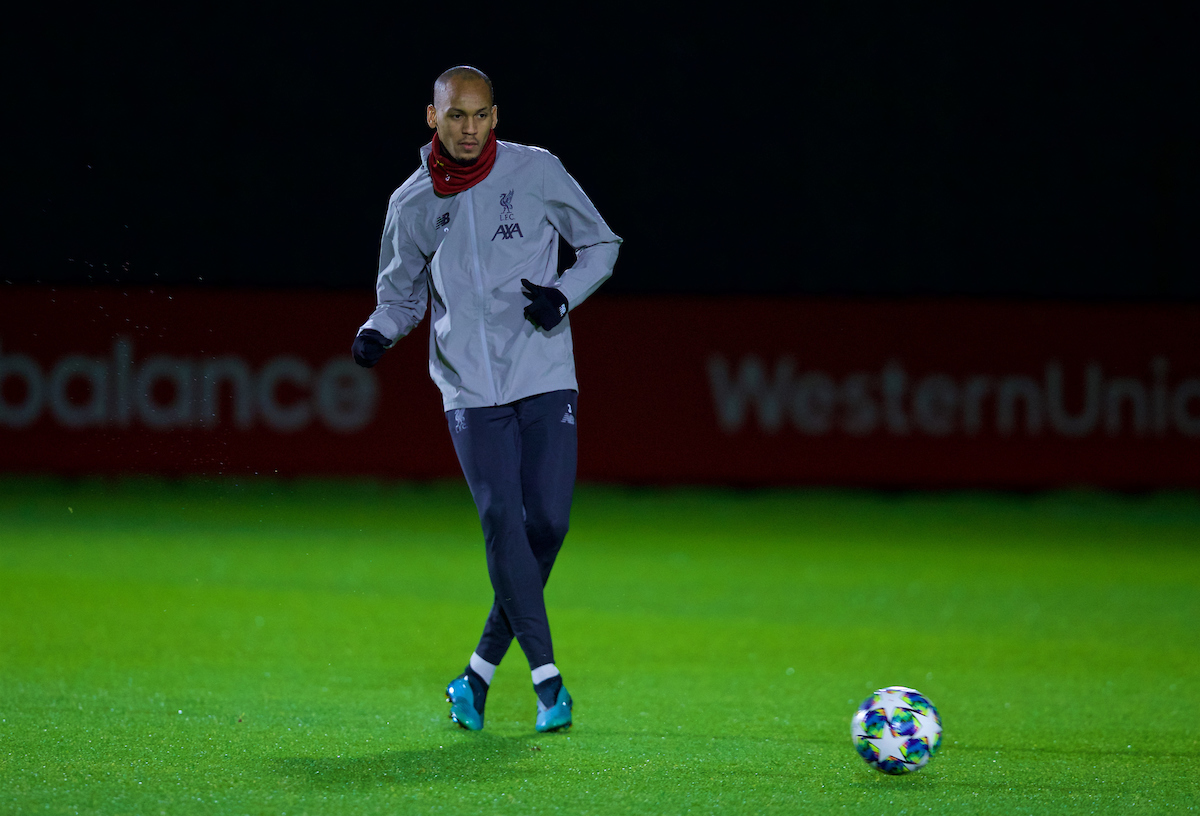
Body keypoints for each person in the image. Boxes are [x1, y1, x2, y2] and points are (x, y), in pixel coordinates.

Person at [350, 66, 621, 733]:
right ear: (431, 118)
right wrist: (376, 332)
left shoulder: (536, 171)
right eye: (455, 116)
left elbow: (601, 244)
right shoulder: (411, 202)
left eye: (479, 116)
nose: (467, 128)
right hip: (468, 389)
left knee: (547, 526)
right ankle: (548, 681)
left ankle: (474, 675)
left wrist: (562, 294)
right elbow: (401, 295)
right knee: (504, 522)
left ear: (495, 118)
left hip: (544, 372)